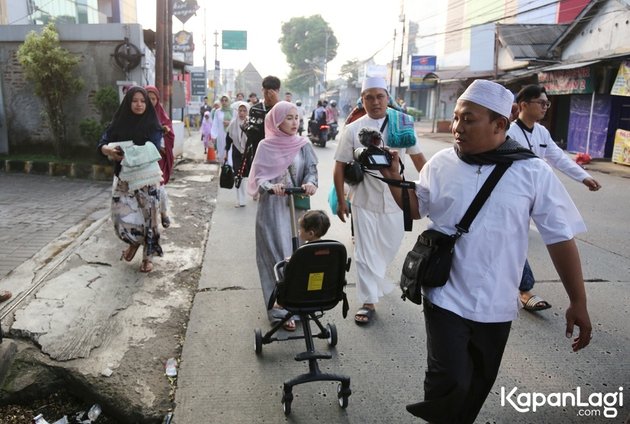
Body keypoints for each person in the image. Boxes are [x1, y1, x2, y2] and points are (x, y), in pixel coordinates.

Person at [381, 79, 592, 423]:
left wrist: (578, 301)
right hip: (444, 294)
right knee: (447, 380)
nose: (457, 128)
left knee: (479, 383)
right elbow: (417, 208)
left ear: (499, 125)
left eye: (468, 119)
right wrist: (393, 178)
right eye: (456, 118)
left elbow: (560, 238)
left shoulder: (532, 171)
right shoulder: (441, 163)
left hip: (497, 302)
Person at [333, 76, 427, 325]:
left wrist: (435, 185)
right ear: (362, 100)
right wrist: (342, 201)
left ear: (388, 98)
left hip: (397, 199)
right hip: (363, 198)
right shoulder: (353, 129)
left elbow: (418, 159)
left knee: (389, 246)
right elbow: (339, 166)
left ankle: (377, 280)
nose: (375, 102)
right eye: (369, 97)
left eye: (379, 96)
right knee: (365, 252)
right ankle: (367, 301)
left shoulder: (402, 125)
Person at [507, 84, 602, 312]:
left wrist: (584, 177)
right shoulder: (508, 132)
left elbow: (558, 157)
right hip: (511, 195)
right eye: (541, 102)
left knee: (558, 232)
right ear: (523, 105)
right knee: (515, 240)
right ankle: (524, 290)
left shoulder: (541, 132)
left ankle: (517, 286)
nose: (545, 107)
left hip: (536, 194)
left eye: (547, 103)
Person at [247, 101, 318, 331]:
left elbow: (311, 170)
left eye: (296, 117)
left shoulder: (303, 144)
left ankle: (298, 303)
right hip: (272, 209)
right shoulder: (265, 146)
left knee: (297, 256)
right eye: (288, 117)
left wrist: (310, 183)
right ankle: (279, 309)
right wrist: (270, 186)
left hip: (295, 209)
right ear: (276, 120)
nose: (294, 122)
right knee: (276, 257)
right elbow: (258, 177)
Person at [97, 86, 164, 273]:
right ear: (128, 103)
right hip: (123, 179)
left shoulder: (152, 124)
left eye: (143, 101)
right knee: (121, 217)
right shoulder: (118, 123)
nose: (139, 104)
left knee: (149, 218)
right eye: (135, 101)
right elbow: (103, 141)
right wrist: (107, 149)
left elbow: (154, 147)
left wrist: (127, 151)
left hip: (147, 180)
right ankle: (134, 242)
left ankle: (147, 256)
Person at [145, 85, 174, 228]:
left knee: (159, 186)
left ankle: (163, 213)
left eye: (153, 99)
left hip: (158, 158)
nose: (151, 102)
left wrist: (164, 138)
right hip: (143, 159)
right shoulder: (138, 115)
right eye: (147, 98)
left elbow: (170, 133)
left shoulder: (161, 115)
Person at [244, 76, 281, 171]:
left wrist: (276, 104)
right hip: (259, 152)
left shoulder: (283, 109)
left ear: (278, 91)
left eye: (272, 93)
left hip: (278, 153)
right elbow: (252, 135)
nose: (269, 97)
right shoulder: (255, 109)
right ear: (262, 90)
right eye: (266, 93)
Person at [225, 101, 250, 207]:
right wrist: (226, 153)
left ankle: (253, 194)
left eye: (244, 111)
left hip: (248, 153)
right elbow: (228, 139)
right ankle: (240, 200)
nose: (242, 113)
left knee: (246, 175)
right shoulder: (233, 123)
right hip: (236, 152)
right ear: (237, 111)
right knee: (237, 175)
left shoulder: (250, 123)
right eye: (240, 110)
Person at [210, 95, 233, 165]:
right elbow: (215, 124)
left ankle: (230, 168)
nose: (224, 102)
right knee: (221, 152)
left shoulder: (233, 111)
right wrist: (213, 136)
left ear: (229, 101)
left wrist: (230, 123)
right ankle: (224, 168)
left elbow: (236, 121)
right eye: (222, 100)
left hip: (231, 135)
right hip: (221, 135)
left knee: (230, 152)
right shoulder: (218, 111)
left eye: (226, 100)